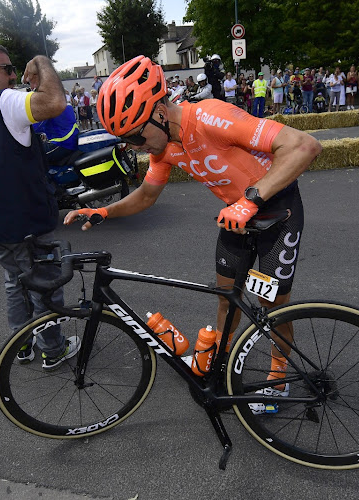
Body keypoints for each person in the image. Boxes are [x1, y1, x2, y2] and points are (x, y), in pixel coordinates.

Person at [64, 56, 323, 398]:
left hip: (277, 211)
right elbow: (146, 195)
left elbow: (304, 145)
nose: (133, 147)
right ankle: (223, 361)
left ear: (159, 112)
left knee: (273, 307)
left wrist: (250, 201)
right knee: (226, 301)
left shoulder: (210, 116)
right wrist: (105, 212)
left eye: (135, 137)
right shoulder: (165, 148)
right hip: (236, 217)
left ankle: (279, 376)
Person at [0, 41, 77, 371]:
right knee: (44, 282)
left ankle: (21, 343)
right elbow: (54, 102)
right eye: (5, 69)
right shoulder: (2, 101)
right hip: (23, 217)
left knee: (15, 280)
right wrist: (42, 61)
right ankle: (53, 348)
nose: (11, 76)